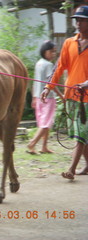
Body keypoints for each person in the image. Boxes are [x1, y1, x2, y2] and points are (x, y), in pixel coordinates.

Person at [41, 5, 88, 180]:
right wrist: (48, 87)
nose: (78, 23)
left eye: (82, 20)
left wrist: (86, 83)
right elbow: (59, 68)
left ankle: (72, 169)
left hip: (87, 99)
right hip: (71, 96)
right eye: (77, 19)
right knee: (80, 133)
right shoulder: (69, 43)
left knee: (81, 134)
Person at [27, 40, 63, 154]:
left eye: (55, 52)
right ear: (45, 51)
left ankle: (44, 147)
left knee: (44, 123)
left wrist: (33, 98)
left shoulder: (39, 63)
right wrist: (61, 95)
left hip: (38, 98)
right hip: (48, 98)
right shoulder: (48, 65)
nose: (54, 54)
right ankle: (32, 143)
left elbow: (35, 82)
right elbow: (51, 83)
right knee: (45, 123)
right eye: (51, 51)